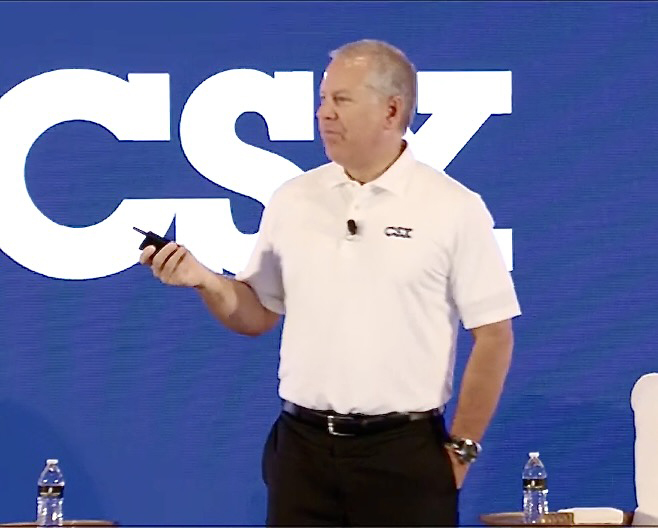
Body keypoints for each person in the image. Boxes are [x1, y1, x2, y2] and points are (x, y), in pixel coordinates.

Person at [140, 39, 521, 527]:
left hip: (403, 458)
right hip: (303, 454)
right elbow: (257, 314)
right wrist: (204, 282)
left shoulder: (452, 207)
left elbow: (494, 334)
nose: (324, 114)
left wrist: (461, 451)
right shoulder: (294, 199)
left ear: (391, 109)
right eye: (323, 100)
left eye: (341, 100)